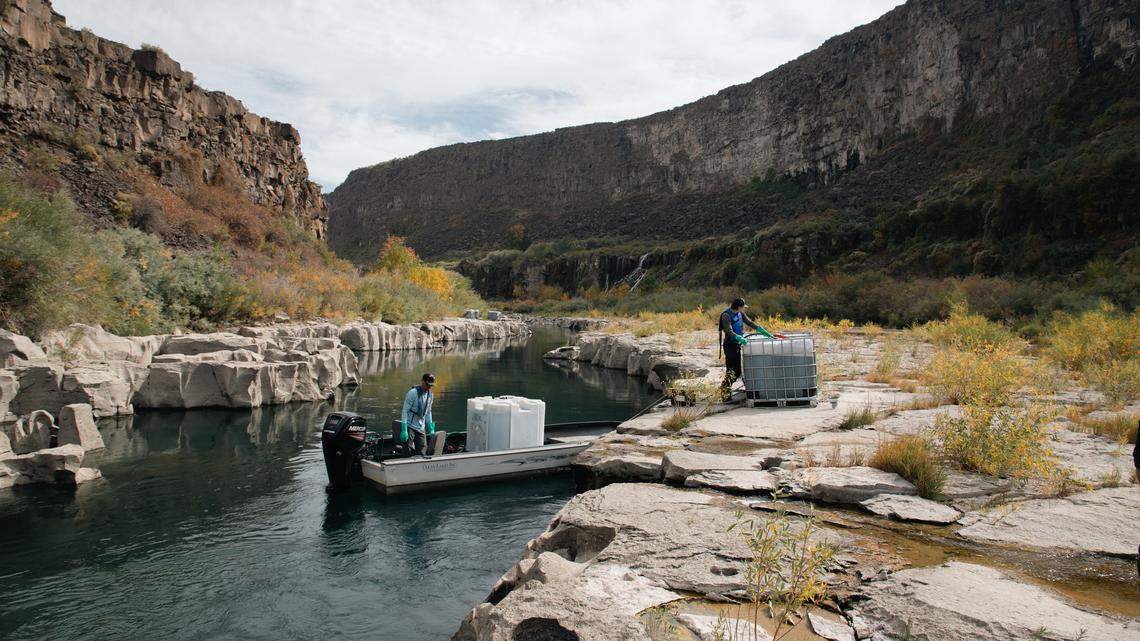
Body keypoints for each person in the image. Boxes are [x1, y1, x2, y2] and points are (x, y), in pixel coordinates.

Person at [719, 298, 779, 398]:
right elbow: (728, 330)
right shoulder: (726, 315)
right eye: (743, 307)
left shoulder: (740, 313)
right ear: (739, 307)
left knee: (737, 371)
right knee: (732, 370)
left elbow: (750, 322)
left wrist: (761, 330)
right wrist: (738, 337)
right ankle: (725, 393)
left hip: (737, 344)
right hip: (730, 345)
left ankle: (731, 391)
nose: (744, 309)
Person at [400, 373, 436, 456]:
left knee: (423, 450)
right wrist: (404, 429)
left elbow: (428, 411)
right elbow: (405, 411)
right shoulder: (412, 393)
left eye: (431, 386)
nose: (429, 387)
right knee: (407, 451)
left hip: (421, 427)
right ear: (422, 382)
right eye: (427, 385)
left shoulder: (430, 395)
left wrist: (430, 427)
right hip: (410, 426)